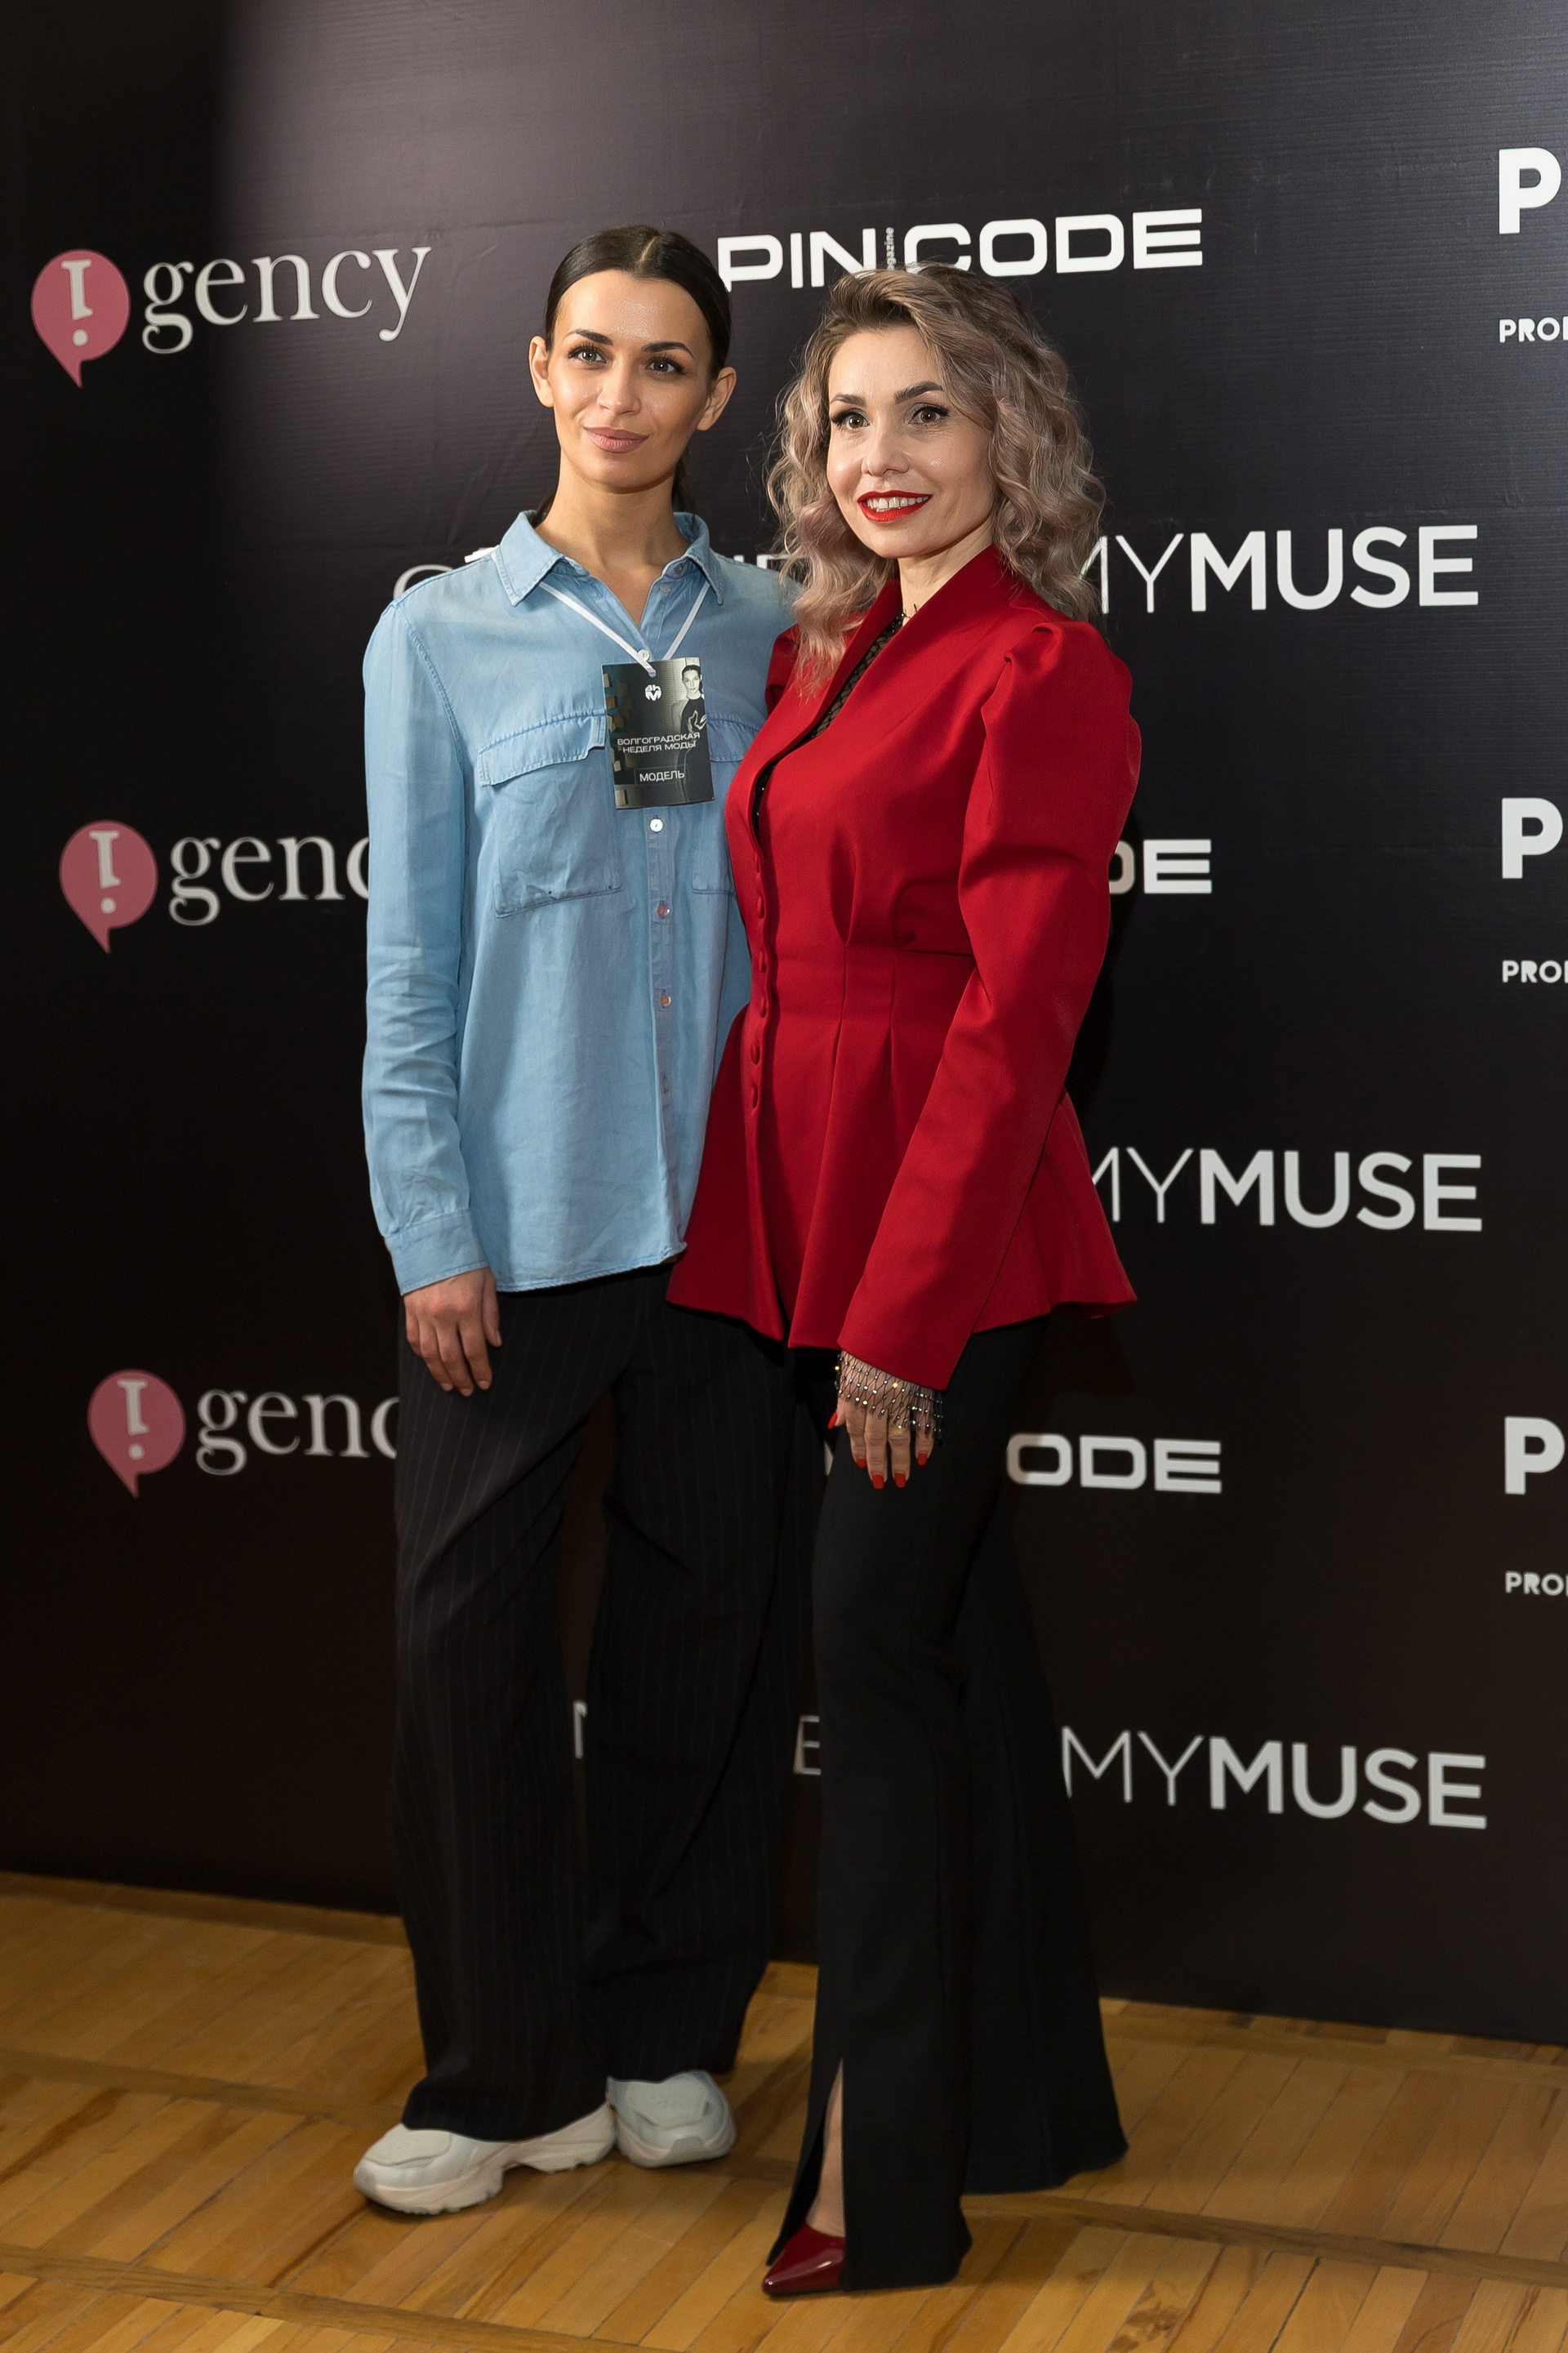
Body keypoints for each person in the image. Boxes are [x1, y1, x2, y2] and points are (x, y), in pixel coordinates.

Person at [669, 264, 1138, 2293]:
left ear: (1006, 436)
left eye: (928, 411)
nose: (883, 453)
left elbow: (1018, 1029)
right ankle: (1029, 2099)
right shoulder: (832, 653)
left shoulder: (1043, 670)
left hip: (938, 1240)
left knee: (870, 1668)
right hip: (803, 1200)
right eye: (850, 416)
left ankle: (883, 2172)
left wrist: (899, 1322)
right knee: (960, 1650)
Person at [356, 225, 809, 2217]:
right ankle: (500, 2074)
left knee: (706, 1629)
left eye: (668, 361)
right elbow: (408, 965)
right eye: (593, 354)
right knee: (465, 1644)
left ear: (719, 396)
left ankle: (661, 2032)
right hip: (517, 1230)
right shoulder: (439, 636)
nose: (624, 395)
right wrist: (429, 1230)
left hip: (732, 1224)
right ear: (541, 369)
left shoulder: (783, 624)